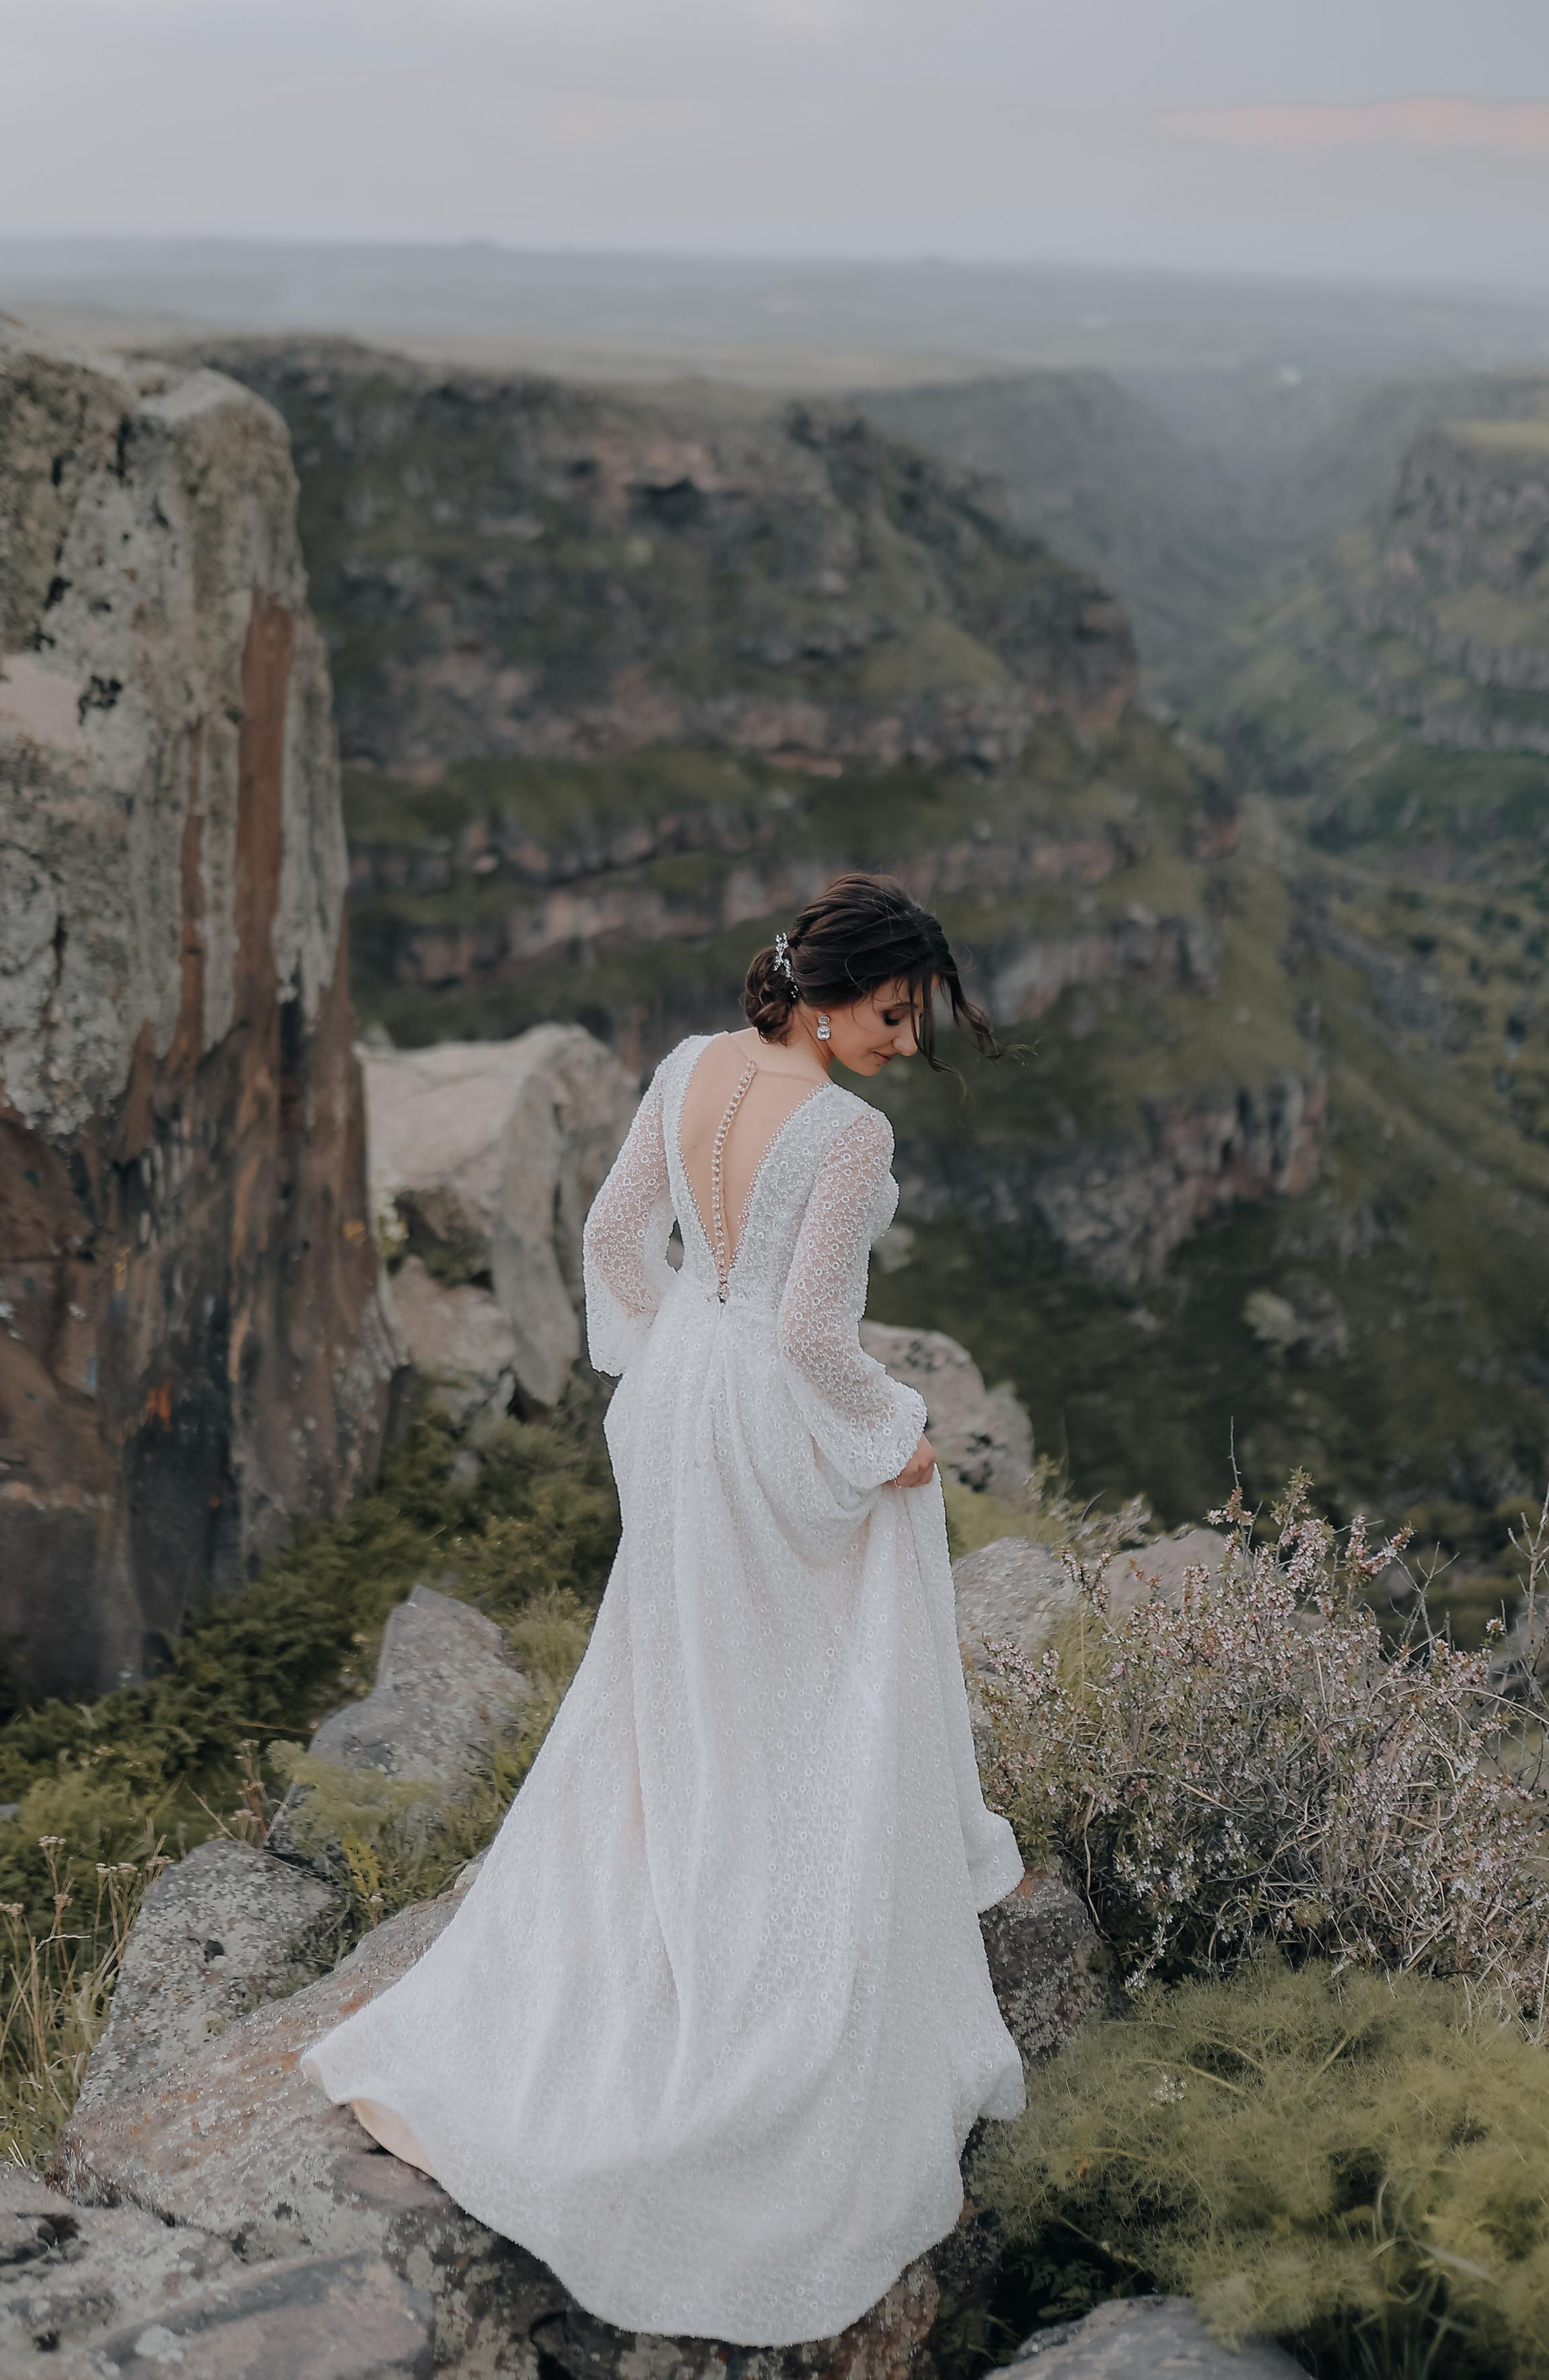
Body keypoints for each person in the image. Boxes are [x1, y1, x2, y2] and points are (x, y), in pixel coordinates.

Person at [301, 872, 1028, 2345]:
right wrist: (893, 1424)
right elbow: (820, 1333)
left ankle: (682, 1850)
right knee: (851, 1594)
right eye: (893, 1015)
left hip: (681, 1402)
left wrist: (661, 1361)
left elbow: (613, 1241)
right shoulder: (841, 1133)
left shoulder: (687, 1067)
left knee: (685, 1663)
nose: (903, 1041)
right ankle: (781, 1897)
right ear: (830, 999)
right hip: (765, 1407)